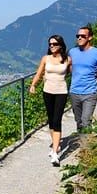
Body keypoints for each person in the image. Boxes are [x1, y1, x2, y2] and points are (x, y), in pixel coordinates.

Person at [29, 34, 70, 166]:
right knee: (51, 119)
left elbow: (70, 72)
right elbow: (39, 73)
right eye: (50, 44)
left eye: (55, 44)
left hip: (61, 92)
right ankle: (56, 145)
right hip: (47, 92)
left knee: (57, 120)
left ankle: (55, 153)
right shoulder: (45, 58)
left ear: (61, 45)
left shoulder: (68, 59)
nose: (52, 46)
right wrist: (33, 85)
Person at [68, 25, 97, 135]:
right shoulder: (72, 52)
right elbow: (70, 67)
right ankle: (83, 143)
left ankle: (86, 149)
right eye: (78, 36)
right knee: (79, 121)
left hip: (90, 93)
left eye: (83, 36)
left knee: (86, 121)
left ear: (90, 37)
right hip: (74, 92)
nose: (79, 38)